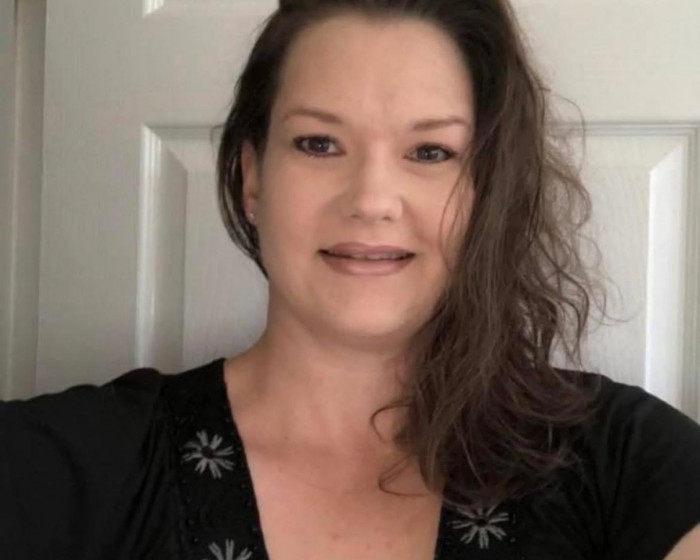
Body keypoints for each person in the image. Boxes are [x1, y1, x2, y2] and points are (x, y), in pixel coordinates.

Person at [2, 0, 700, 558]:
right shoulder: (57, 466)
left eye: (430, 151)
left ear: (489, 190)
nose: (370, 199)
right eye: (319, 143)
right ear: (252, 177)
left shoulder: (623, 460)